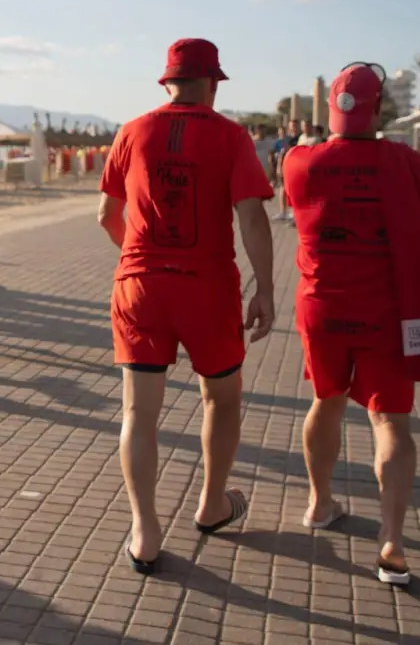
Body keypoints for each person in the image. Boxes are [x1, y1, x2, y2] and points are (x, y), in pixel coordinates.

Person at [284, 63, 420, 588]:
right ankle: (391, 539)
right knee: (391, 423)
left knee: (325, 401)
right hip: (388, 314)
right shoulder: (407, 163)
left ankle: (320, 503)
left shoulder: (299, 162)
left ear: (332, 109)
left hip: (321, 308)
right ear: (379, 108)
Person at [97, 37, 275, 575]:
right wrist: (265, 287)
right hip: (208, 287)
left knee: (138, 413)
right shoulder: (230, 135)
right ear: (213, 83)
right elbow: (251, 218)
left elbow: (107, 213)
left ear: (166, 81)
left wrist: (139, 256)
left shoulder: (131, 131)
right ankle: (212, 504)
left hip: (141, 286)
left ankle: (144, 533)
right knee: (220, 400)